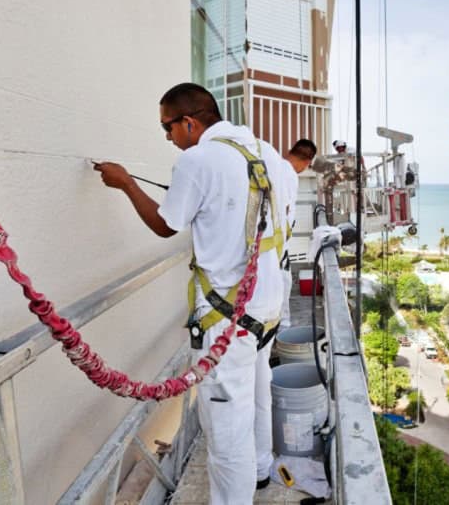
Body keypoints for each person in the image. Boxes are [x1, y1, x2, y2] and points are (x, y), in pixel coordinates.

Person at [95, 83, 287, 504]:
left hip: (227, 321)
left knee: (225, 430)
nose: (168, 138)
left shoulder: (198, 160)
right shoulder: (264, 153)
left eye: (168, 128)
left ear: (189, 122)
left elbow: (166, 224)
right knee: (257, 387)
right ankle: (259, 468)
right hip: (267, 307)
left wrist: (126, 182)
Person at [278, 139, 316, 327]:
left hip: (274, 243)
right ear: (308, 162)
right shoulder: (289, 174)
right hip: (276, 244)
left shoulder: (277, 167)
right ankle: (281, 331)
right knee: (281, 288)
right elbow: (282, 208)